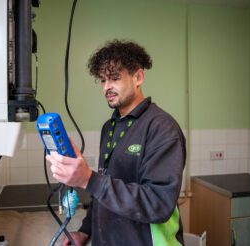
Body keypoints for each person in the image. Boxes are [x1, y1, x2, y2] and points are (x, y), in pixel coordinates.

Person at [46, 40, 186, 246]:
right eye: (102, 80)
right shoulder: (110, 127)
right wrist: (85, 231)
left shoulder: (162, 127)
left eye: (114, 78)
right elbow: (104, 190)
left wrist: (89, 179)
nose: (106, 87)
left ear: (138, 77)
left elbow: (159, 204)